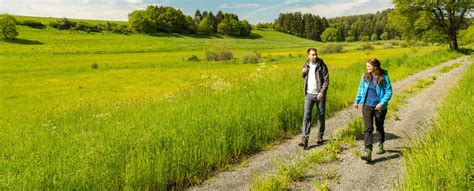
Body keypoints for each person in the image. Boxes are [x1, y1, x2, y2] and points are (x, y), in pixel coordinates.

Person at [353, 58, 392, 161]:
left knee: (379, 126)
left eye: (369, 66)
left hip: (379, 106)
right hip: (367, 105)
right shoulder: (365, 76)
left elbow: (389, 91)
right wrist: (357, 101)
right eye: (367, 66)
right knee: (368, 128)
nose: (367, 68)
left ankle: (380, 143)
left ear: (375, 67)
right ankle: (368, 150)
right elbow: (360, 88)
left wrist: (382, 103)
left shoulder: (384, 76)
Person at [298, 48, 329, 150]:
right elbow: (304, 76)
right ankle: (304, 139)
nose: (315, 56)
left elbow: (326, 80)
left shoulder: (321, 65)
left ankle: (320, 135)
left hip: (319, 95)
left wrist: (322, 92)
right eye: (313, 55)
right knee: (306, 116)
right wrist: (303, 72)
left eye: (316, 54)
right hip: (309, 94)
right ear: (308, 56)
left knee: (321, 115)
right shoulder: (306, 64)